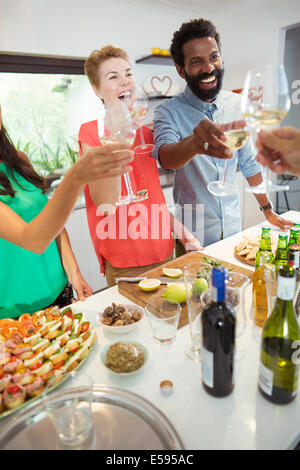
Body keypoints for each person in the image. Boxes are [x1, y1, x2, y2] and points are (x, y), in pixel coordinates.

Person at [153, 18, 293, 255]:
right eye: (196, 61)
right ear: (181, 69)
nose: (208, 68)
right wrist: (195, 144)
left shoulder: (238, 104)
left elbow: (248, 164)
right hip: (192, 238)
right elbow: (166, 158)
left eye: (214, 57)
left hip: (233, 231)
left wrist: (267, 209)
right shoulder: (168, 112)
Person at [79, 45, 202, 287]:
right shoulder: (91, 133)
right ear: (96, 89)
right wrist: (120, 135)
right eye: (113, 77)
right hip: (124, 260)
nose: (125, 81)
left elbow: (153, 202)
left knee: (169, 318)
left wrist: (183, 234)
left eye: (128, 73)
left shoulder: (147, 132)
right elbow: (105, 202)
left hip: (164, 249)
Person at [0, 104, 134, 318]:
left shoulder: (19, 160)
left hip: (59, 293)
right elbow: (32, 239)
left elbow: (52, 223)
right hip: (14, 313)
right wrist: (76, 176)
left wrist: (74, 273)